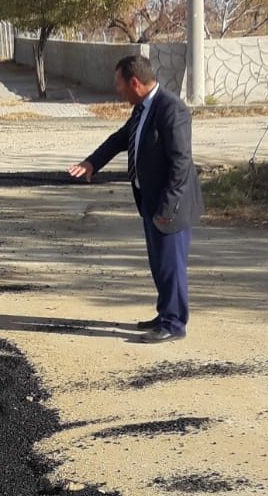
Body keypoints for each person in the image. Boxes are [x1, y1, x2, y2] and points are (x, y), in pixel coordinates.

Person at [68, 56, 204, 343]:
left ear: (135, 83)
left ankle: (174, 324)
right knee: (159, 264)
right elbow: (121, 139)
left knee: (171, 266)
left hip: (172, 205)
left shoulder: (171, 109)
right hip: (150, 199)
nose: (118, 91)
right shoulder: (143, 109)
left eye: (120, 85)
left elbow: (181, 162)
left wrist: (167, 206)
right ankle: (165, 313)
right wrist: (93, 163)